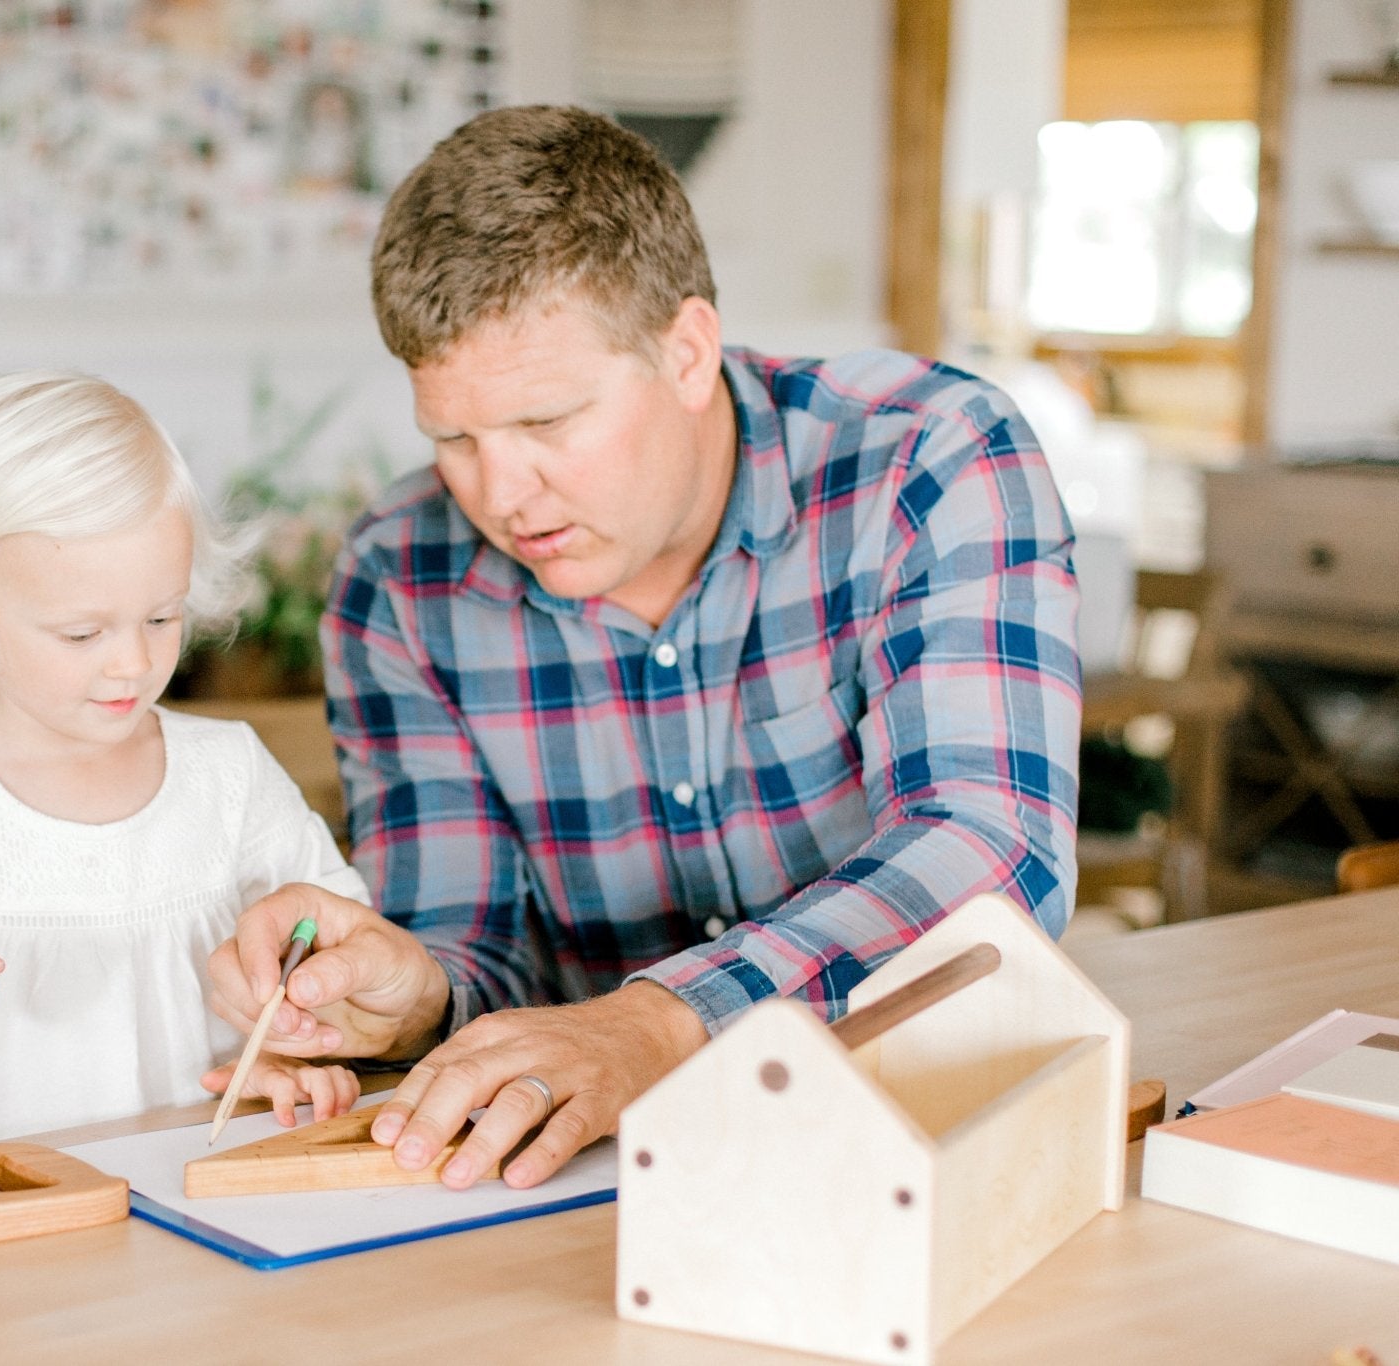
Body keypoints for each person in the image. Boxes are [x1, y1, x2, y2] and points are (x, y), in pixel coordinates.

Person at [208, 106, 1081, 1192]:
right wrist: (411, 992)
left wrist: (661, 1023)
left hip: (933, 1127)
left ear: (685, 351)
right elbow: (472, 945)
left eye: (545, 423)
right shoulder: (399, 576)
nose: (498, 494)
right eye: (453, 439)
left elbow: (992, 854)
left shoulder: (926, 459)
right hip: (603, 1182)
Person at [0, 373, 367, 1161]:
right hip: (6, 1226)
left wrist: (291, 1047)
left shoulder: (230, 775)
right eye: (82, 634)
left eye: (162, 617)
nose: (132, 664)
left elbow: (329, 944)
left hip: (205, 1203)